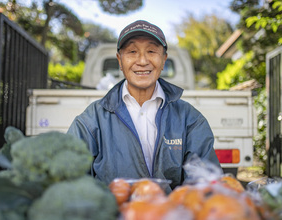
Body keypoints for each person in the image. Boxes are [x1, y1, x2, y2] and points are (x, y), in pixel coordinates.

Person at [67, 20, 220, 191]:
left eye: (151, 51)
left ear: (163, 60)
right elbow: (71, 183)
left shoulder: (190, 119)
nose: (142, 61)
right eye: (132, 51)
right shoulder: (91, 121)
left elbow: (205, 184)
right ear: (120, 60)